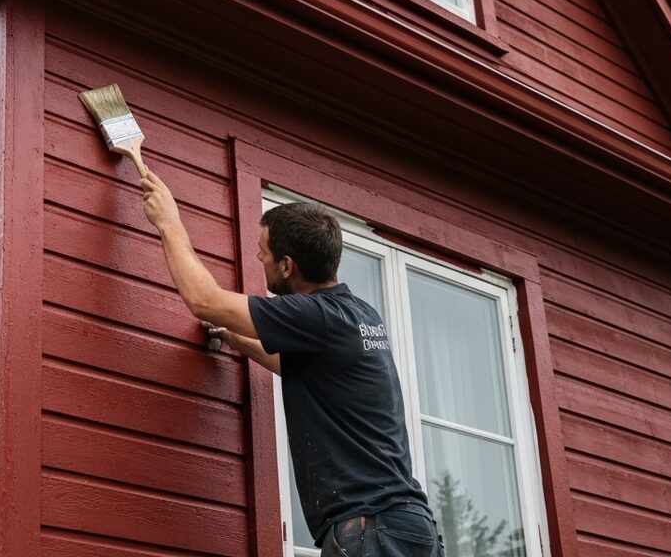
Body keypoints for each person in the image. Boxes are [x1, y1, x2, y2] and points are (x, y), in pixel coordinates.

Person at [139, 169, 444, 557]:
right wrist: (237, 338)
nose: (257, 256)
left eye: (263, 251)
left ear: (287, 266)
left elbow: (204, 299)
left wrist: (168, 221)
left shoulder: (315, 316)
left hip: (372, 531)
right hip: (407, 528)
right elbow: (307, 369)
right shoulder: (358, 315)